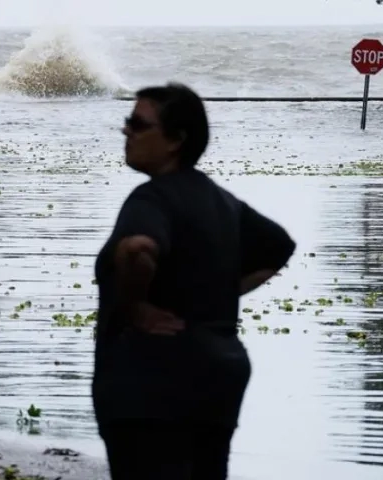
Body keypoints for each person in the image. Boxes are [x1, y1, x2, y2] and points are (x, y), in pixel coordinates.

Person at [91, 83, 296, 480]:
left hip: (151, 383)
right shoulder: (222, 201)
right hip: (218, 377)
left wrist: (134, 307)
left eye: (138, 123)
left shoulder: (151, 199)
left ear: (175, 140)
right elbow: (279, 247)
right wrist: (220, 289)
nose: (126, 131)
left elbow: (137, 249)